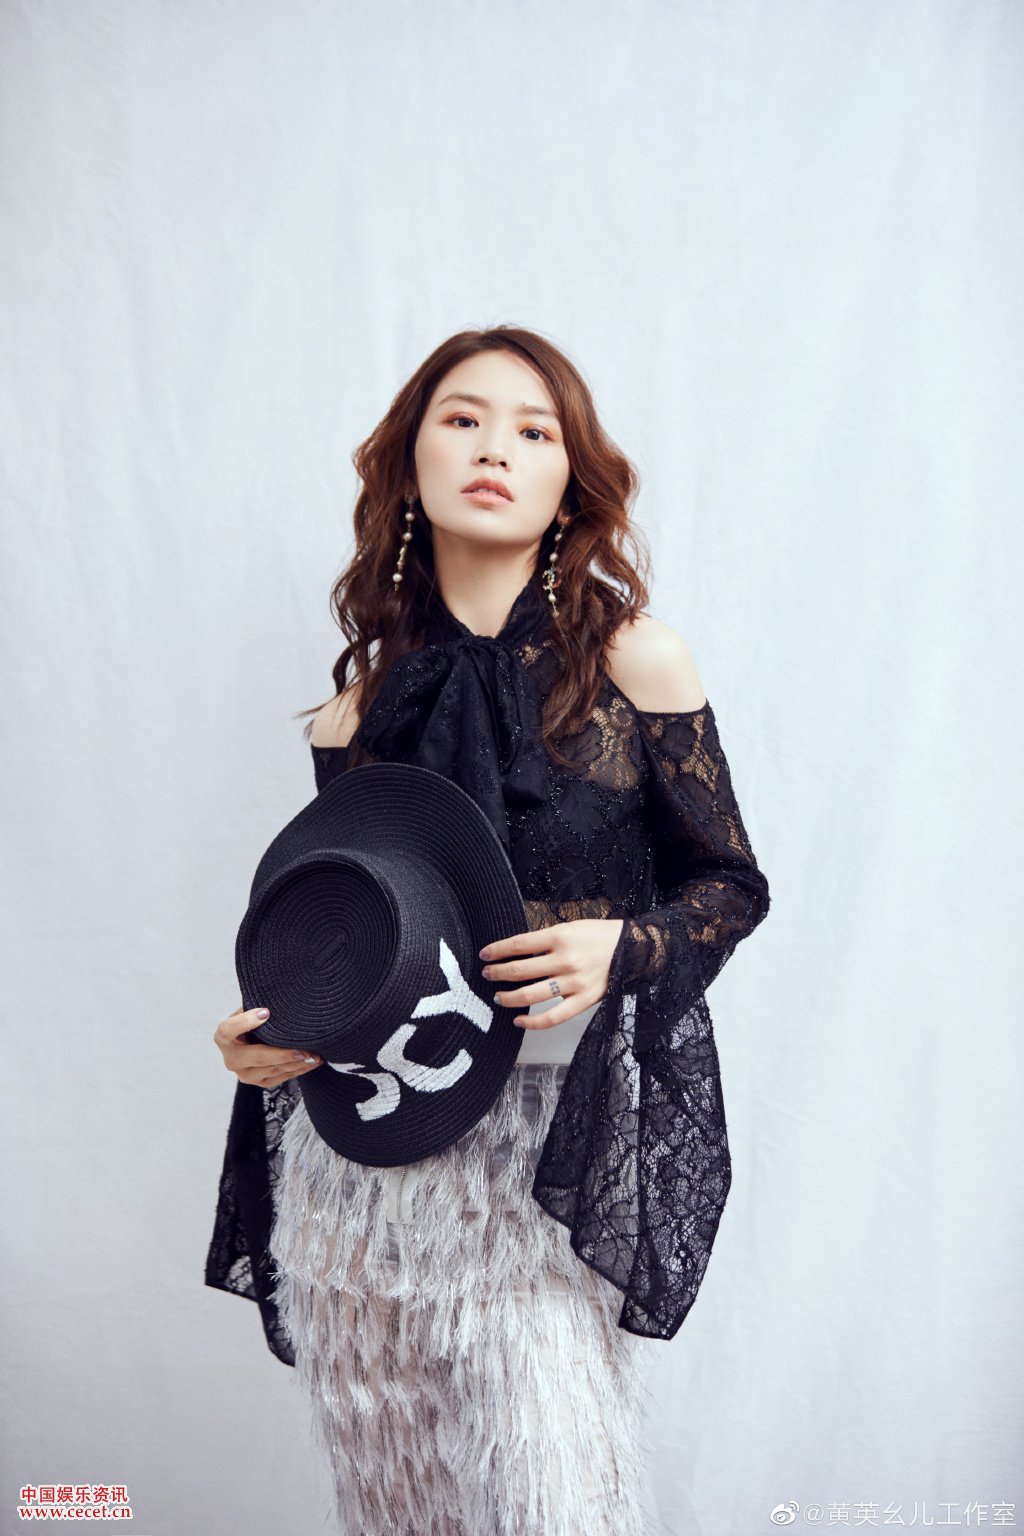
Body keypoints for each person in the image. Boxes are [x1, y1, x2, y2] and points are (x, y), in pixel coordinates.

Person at [205, 325, 771, 1536]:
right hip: (368, 1146)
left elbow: (728, 884)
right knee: (395, 1505)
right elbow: (354, 931)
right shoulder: (357, 708)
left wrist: (621, 948)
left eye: (534, 429)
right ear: (409, 465)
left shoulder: (637, 660)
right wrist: (273, 1039)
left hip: (548, 1137)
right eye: (461, 419)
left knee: (554, 1497)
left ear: (572, 481)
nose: (494, 449)